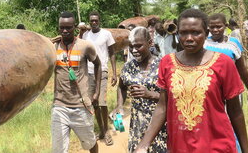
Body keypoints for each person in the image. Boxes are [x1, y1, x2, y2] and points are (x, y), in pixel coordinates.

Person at [134, 8, 248, 153]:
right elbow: (163, 106)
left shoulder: (224, 63)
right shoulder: (167, 62)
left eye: (196, 32)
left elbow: (235, 111)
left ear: (206, 34)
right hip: (180, 146)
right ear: (177, 34)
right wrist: (144, 144)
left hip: (217, 145)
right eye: (183, 33)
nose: (189, 38)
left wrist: (246, 150)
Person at [111, 26, 167, 152]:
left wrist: (151, 94)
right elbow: (121, 86)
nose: (134, 50)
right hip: (137, 124)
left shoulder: (163, 65)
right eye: (131, 46)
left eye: (138, 46)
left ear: (150, 43)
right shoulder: (128, 67)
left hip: (160, 125)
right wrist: (119, 105)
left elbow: (174, 97)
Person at [52, 11, 101, 153]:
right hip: (59, 106)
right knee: (58, 150)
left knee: (90, 143)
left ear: (75, 27)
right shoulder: (53, 47)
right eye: (62, 27)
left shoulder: (85, 46)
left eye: (68, 27)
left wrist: (96, 92)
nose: (65, 31)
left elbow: (98, 64)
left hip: (81, 106)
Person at [81, 11, 116, 146]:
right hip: (89, 73)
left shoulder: (106, 34)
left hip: (103, 71)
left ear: (99, 21)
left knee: (102, 103)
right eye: (92, 21)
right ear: (89, 22)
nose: (94, 22)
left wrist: (114, 73)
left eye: (96, 20)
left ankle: (106, 132)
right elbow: (81, 51)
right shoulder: (85, 35)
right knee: (94, 103)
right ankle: (101, 130)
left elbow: (112, 53)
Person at [205, 13, 248, 108]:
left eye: (219, 27)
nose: (215, 30)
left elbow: (242, 69)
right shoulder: (204, 44)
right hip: (209, 91)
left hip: (232, 89)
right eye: (212, 27)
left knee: (234, 118)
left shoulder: (233, 43)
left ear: (226, 26)